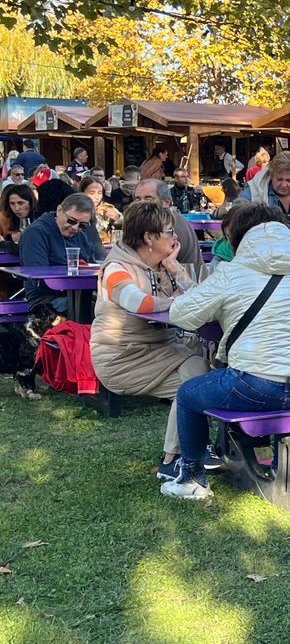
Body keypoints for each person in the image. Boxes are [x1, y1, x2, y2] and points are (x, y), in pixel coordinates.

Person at [164, 204, 290, 500]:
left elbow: (182, 315)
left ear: (238, 239)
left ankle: (192, 477)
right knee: (267, 391)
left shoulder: (231, 272)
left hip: (255, 385)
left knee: (188, 395)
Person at [90, 201, 212, 480]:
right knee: (193, 381)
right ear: (149, 237)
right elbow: (137, 302)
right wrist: (176, 303)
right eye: (169, 231)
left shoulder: (163, 265)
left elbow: (201, 298)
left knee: (199, 376)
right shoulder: (116, 268)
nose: (175, 237)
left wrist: (175, 267)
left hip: (163, 351)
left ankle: (178, 456)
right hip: (122, 357)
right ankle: (180, 456)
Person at [19, 193, 104, 313]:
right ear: (59, 210)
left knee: (113, 310)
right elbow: (38, 278)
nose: (75, 228)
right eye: (72, 220)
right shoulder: (36, 233)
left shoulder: (81, 236)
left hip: (80, 295)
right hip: (45, 300)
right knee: (96, 312)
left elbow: (92, 264)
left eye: (82, 225)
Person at [134, 179, 201, 269]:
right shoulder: (150, 222)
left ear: (166, 202)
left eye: (148, 199)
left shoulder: (169, 226)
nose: (141, 204)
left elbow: (154, 268)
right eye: (138, 199)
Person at [79, 176, 122, 246]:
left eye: (99, 193)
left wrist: (117, 217)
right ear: (82, 192)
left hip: (106, 247)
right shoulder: (75, 208)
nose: (97, 197)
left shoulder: (107, 208)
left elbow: (125, 223)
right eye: (92, 193)